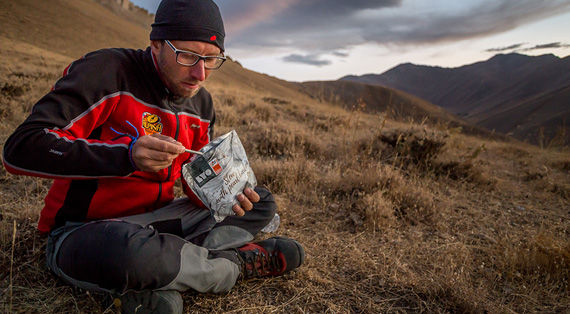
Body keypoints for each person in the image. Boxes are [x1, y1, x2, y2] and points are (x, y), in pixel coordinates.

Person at [1, 0, 305, 312]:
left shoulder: (201, 105)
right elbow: (22, 147)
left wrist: (222, 193)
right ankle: (235, 264)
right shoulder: (109, 71)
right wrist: (126, 156)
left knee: (261, 202)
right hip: (86, 231)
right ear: (157, 44)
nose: (200, 74)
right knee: (131, 255)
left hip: (159, 222)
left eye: (212, 59)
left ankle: (163, 271)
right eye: (188, 56)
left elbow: (193, 187)